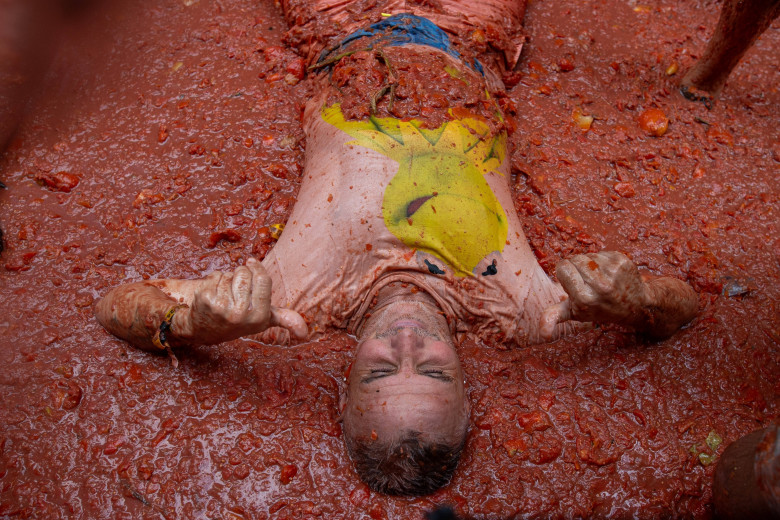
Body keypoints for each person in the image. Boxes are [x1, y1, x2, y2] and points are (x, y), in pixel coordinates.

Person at [95, 1, 699, 496]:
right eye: (434, 368)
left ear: (344, 381)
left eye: (381, 369)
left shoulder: (285, 308)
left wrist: (194, 323)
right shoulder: (526, 312)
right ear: (467, 384)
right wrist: (636, 300)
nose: (407, 342)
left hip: (341, 24)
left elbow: (116, 305)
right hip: (471, 31)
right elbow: (684, 308)